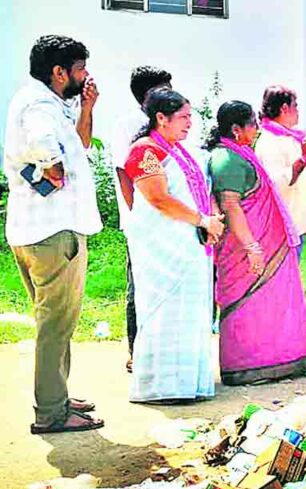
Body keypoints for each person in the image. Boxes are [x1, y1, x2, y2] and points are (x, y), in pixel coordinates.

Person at [4, 35, 104, 433]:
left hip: (39, 230)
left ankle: (57, 395)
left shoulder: (48, 102)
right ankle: (51, 412)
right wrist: (54, 169)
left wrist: (88, 107)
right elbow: (47, 148)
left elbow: (80, 142)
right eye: (79, 68)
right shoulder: (39, 106)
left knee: (57, 321)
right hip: (53, 232)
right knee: (54, 325)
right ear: (59, 72)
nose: (85, 75)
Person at [122, 88, 223, 403]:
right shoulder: (145, 150)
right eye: (183, 117)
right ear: (160, 118)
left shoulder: (182, 150)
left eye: (191, 117)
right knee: (164, 309)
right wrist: (202, 221)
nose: (189, 123)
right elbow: (158, 199)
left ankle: (186, 383)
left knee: (190, 310)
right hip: (162, 245)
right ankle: (160, 386)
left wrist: (207, 220)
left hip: (189, 242)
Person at [206, 101, 306, 385]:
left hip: (262, 244)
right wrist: (252, 247)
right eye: (252, 124)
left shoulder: (240, 154)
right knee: (248, 305)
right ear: (236, 129)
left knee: (269, 304)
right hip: (245, 249)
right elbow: (230, 205)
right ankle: (245, 365)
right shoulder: (226, 159)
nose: (256, 129)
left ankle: (275, 361)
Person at [110, 65, 172, 374]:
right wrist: (137, 214)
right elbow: (124, 173)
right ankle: (136, 350)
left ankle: (162, 347)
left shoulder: (167, 121)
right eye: (165, 88)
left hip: (168, 218)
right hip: (141, 219)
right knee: (139, 285)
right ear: (148, 94)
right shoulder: (128, 124)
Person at [254, 85, 306, 253]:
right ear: (284, 108)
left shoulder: (289, 137)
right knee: (284, 278)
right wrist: (304, 158)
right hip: (282, 227)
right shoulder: (270, 141)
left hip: (296, 224)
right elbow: (277, 183)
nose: (298, 110)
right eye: (295, 106)